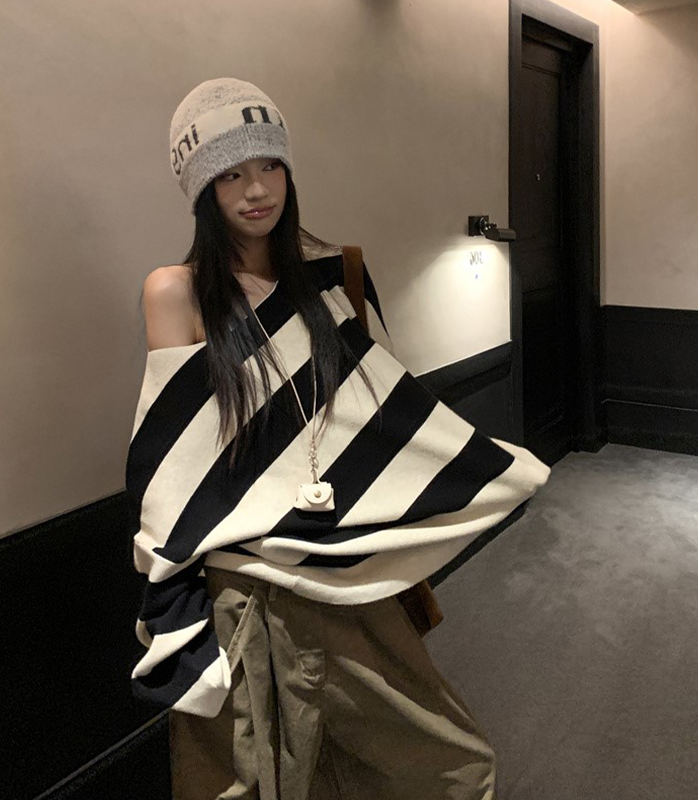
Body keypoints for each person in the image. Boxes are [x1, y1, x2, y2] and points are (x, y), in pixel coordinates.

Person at [126, 77, 551, 800]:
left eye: (270, 165)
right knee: (255, 774)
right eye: (229, 174)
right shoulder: (176, 292)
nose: (256, 189)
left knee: (437, 763)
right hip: (241, 586)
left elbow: (381, 417)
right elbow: (177, 460)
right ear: (201, 189)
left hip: (340, 569)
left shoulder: (332, 274)